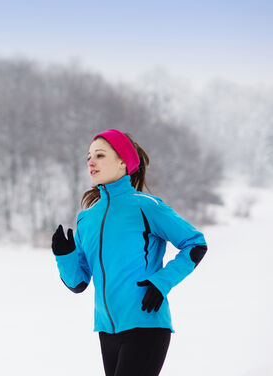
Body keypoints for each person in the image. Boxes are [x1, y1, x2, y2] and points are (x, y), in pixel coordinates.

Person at [51, 129, 208, 376]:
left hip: (146, 322)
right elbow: (78, 282)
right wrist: (64, 255)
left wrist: (161, 282)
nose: (91, 161)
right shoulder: (87, 219)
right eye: (88, 156)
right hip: (106, 330)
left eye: (100, 155)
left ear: (123, 162)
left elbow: (195, 244)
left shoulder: (146, 206)